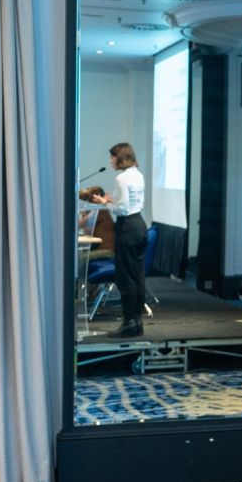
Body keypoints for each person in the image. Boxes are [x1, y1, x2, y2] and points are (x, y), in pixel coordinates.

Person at [90, 142, 147, 338]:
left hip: (127, 228)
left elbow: (122, 209)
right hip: (139, 225)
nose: (110, 161)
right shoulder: (138, 174)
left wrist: (105, 203)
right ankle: (136, 322)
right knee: (137, 275)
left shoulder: (122, 178)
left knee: (125, 277)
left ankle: (128, 323)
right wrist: (110, 200)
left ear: (120, 158)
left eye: (112, 157)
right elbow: (130, 203)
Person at [77, 186, 116, 259]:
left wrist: (84, 214)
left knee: (79, 258)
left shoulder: (99, 211)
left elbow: (79, 225)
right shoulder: (102, 211)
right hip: (105, 249)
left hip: (106, 251)